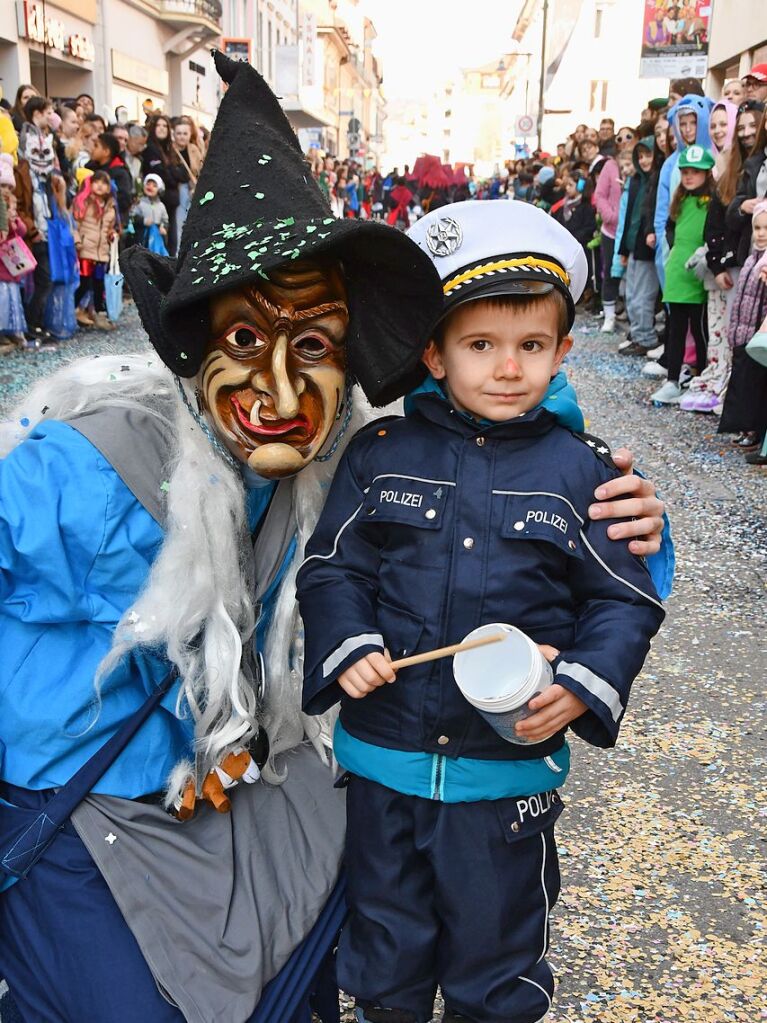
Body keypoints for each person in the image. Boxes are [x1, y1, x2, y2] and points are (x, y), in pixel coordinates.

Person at [0, 54, 670, 1023]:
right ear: (191, 342)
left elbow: (493, 445)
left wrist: (625, 507)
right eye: (242, 342)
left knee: (338, 917)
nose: (279, 391)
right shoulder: (91, 459)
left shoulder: (354, 453)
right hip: (72, 796)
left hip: (224, 777)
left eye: (311, 346)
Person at [297, 200, 666, 1023]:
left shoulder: (584, 473)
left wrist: (580, 682)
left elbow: (623, 596)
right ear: (434, 352)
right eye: (480, 345)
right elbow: (330, 568)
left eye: (531, 345)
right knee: (382, 950)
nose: (508, 368)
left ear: (563, 352)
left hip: (504, 779)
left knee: (496, 961)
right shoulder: (379, 455)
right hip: (383, 765)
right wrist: (348, 640)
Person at [680, 100, 739, 413]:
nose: (718, 130)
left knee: (732, 328)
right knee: (716, 325)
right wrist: (714, 261)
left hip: (735, 260)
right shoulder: (717, 164)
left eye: (723, 124)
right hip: (716, 261)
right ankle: (716, 375)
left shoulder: (740, 165)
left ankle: (728, 383)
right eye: (713, 125)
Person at [651, 145, 715, 405]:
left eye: (695, 172)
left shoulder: (712, 201)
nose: (689, 177)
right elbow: (669, 227)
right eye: (685, 171)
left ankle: (700, 376)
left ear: (706, 173)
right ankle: (673, 379)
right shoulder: (681, 200)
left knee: (700, 330)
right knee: (674, 329)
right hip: (678, 271)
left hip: (698, 272)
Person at [717, 200, 767, 450]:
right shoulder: (751, 260)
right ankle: (745, 427)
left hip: (758, 333)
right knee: (744, 383)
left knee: (756, 386)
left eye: (765, 229)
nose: (760, 233)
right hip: (743, 332)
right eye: (757, 228)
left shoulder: (764, 264)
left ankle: (755, 430)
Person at [615, 137, 662, 357]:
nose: (643, 160)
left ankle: (645, 337)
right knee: (632, 294)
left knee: (643, 295)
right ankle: (637, 333)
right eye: (640, 156)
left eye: (648, 155)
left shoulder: (655, 180)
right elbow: (628, 219)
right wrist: (624, 249)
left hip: (647, 247)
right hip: (634, 246)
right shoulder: (636, 181)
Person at [72, 168, 118, 330]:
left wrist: (112, 235)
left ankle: (99, 314)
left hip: (101, 253)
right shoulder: (84, 202)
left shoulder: (110, 206)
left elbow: (109, 228)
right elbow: (75, 225)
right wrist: (78, 242)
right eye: (96, 182)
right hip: (85, 250)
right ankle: (72, 310)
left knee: (99, 284)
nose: (99, 186)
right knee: (83, 283)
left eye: (104, 183)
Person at [0, 156, 29, 352]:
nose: (6, 191)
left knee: (10, 298)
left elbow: (21, 232)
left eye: (9, 187)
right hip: (2, 265)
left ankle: (11, 331)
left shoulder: (10, 207)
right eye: (2, 186)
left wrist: (14, 219)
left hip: (9, 263)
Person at [594, 138, 623, 331]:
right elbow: (600, 194)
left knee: (632, 275)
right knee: (610, 273)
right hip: (611, 230)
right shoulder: (610, 167)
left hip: (630, 230)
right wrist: (609, 215)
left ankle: (627, 311)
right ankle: (609, 315)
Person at [87, 131, 133, 227]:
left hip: (110, 224)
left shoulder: (120, 173)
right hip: (89, 221)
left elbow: (125, 200)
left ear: (106, 152)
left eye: (96, 146)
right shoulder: (90, 169)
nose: (92, 149)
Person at [133, 171, 168, 247]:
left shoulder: (161, 206)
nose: (150, 187)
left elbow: (165, 220)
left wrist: (163, 227)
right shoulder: (140, 203)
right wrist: (143, 221)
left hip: (156, 236)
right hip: (142, 234)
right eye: (148, 184)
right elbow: (133, 216)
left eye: (154, 186)